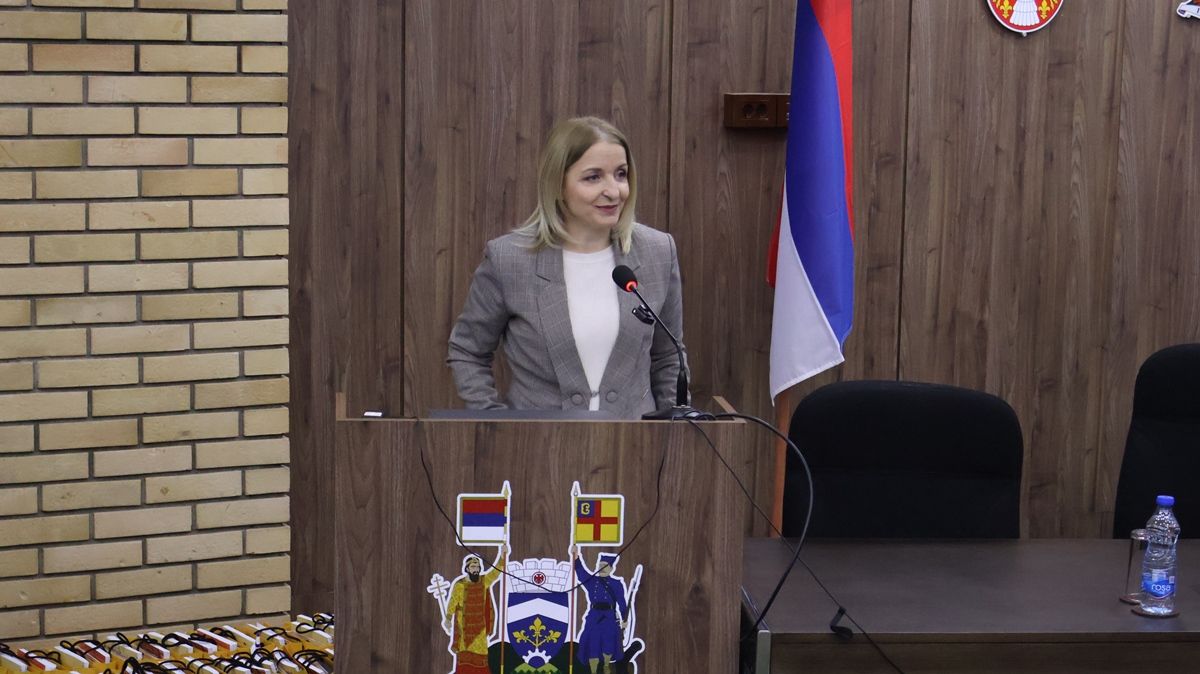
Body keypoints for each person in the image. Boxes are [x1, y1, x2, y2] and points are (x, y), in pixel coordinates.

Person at [447, 116, 686, 418]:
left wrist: (672, 432)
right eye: (593, 177)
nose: (614, 191)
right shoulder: (509, 259)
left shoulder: (657, 252)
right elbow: (467, 351)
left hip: (635, 441)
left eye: (621, 174)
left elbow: (669, 358)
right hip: (537, 440)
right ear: (558, 185)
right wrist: (496, 423)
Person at [443, 546, 507, 674]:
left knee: (481, 656)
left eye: (477, 567)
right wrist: (448, 618)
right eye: (473, 567)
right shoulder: (460, 585)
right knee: (464, 657)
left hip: (479, 628)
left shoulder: (484, 581)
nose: (476, 569)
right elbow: (452, 603)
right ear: (467, 569)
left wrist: (502, 555)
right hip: (464, 629)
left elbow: (495, 573)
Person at [570, 546, 629, 674]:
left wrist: (624, 619)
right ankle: (593, 670)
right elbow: (581, 573)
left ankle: (606, 665)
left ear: (611, 569)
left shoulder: (616, 584)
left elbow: (622, 602)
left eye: (605, 566)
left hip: (609, 617)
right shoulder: (592, 581)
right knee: (593, 643)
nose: (602, 568)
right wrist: (576, 557)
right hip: (594, 616)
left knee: (608, 643)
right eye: (600, 565)